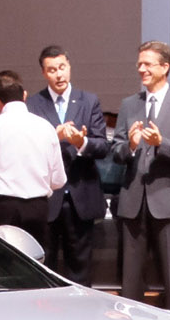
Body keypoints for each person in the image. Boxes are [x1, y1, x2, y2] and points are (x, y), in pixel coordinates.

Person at [115, 41, 170, 310]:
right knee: (130, 279)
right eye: (139, 63)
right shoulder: (129, 104)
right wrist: (129, 145)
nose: (141, 69)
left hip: (168, 200)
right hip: (133, 202)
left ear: (165, 67)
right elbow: (116, 152)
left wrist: (161, 143)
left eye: (148, 64)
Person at [28, 46, 109, 277]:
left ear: (69, 66)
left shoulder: (88, 101)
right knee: (44, 269)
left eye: (62, 67)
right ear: (44, 73)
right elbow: (29, 150)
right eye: (52, 70)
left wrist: (81, 142)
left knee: (80, 269)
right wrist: (56, 136)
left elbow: (103, 146)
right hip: (46, 200)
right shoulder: (33, 104)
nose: (59, 74)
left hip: (80, 197)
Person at [0, 69, 68, 241]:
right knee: (34, 264)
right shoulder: (46, 127)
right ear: (24, 95)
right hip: (38, 211)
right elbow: (58, 180)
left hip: (3, 210)